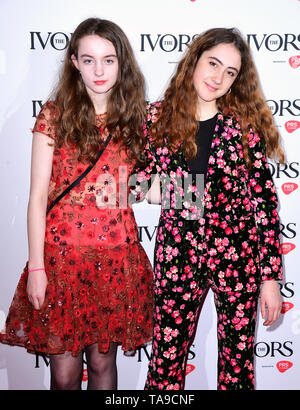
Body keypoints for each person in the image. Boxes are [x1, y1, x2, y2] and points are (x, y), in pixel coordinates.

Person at [0, 17, 154, 390]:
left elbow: (143, 190)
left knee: (104, 366)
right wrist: (37, 267)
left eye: (109, 59)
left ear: (123, 63)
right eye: (88, 60)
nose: (99, 70)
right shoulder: (55, 115)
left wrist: (206, 193)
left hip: (115, 260)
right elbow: (38, 197)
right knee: (64, 376)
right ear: (74, 63)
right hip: (61, 263)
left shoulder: (139, 118)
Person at [132, 27, 284, 390]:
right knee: (166, 362)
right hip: (178, 254)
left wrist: (271, 277)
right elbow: (133, 185)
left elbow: (264, 202)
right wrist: (192, 197)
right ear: (194, 60)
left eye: (230, 72)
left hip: (240, 257)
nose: (218, 77)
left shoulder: (245, 126)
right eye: (213, 63)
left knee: (237, 366)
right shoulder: (156, 118)